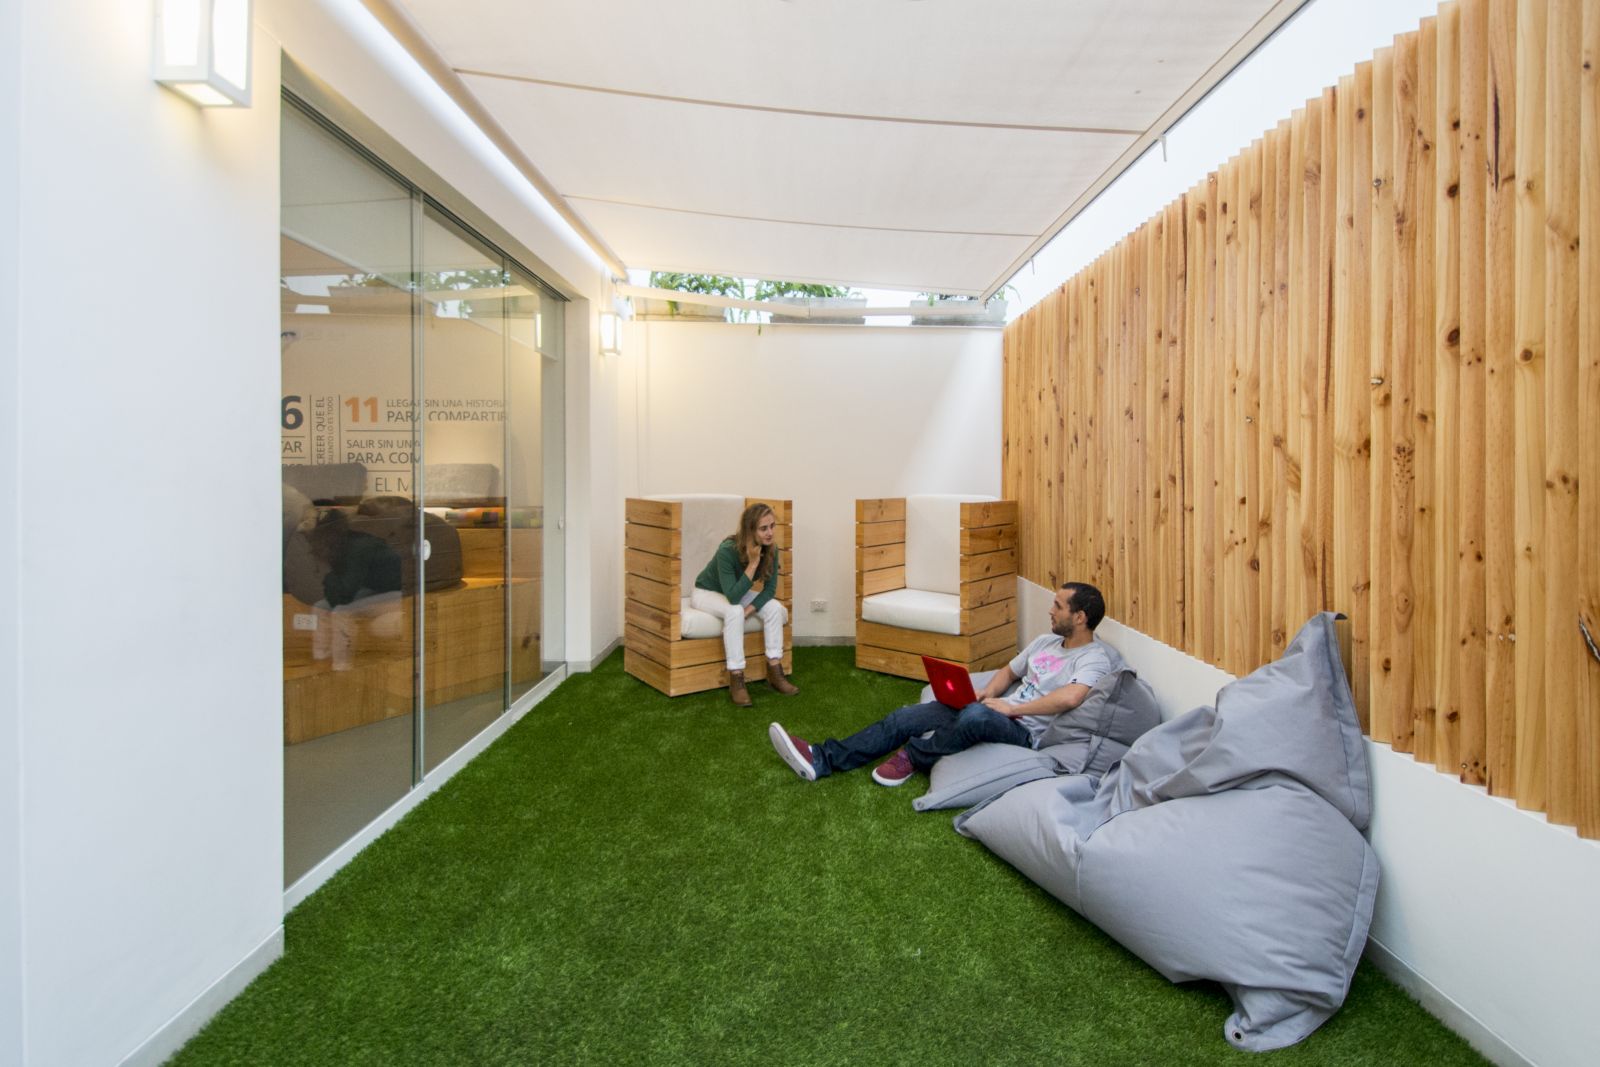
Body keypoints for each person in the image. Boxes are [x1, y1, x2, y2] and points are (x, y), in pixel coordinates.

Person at [768, 581, 1110, 785]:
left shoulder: (1094, 658)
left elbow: (1070, 698)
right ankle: (822, 758)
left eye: (1058, 606)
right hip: (995, 709)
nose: (1050, 610)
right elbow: (1009, 672)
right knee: (906, 716)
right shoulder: (1046, 641)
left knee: (974, 717)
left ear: (1079, 617)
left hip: (1024, 731)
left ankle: (914, 756)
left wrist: (1010, 708)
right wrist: (986, 692)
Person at [691, 502, 799, 706]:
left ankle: (775, 671)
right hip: (706, 592)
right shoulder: (727, 550)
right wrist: (753, 563)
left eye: (772, 526)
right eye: (763, 528)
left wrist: (749, 610)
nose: (770, 533)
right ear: (750, 530)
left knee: (775, 608)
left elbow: (769, 590)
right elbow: (733, 598)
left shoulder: (771, 548)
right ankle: (737, 677)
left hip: (735, 591)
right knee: (734, 611)